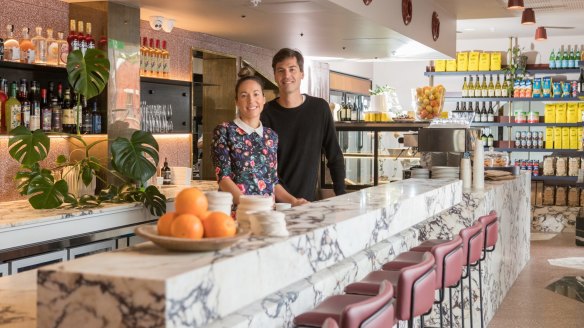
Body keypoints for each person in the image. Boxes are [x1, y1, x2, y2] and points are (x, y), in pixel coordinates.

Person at [212, 68, 307, 207]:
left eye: (256, 94)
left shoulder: (271, 136)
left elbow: (273, 182)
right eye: (244, 95)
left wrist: (294, 201)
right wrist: (251, 204)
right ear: (237, 101)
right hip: (237, 215)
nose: (251, 100)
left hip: (266, 216)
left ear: (263, 99)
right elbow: (224, 179)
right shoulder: (224, 131)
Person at [261, 48, 346, 201]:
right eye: (281, 70)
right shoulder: (264, 114)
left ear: (302, 74)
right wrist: (290, 201)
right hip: (272, 204)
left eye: (292, 69)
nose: (287, 75)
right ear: (275, 76)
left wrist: (341, 195)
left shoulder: (319, 109)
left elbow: (334, 155)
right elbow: (264, 169)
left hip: (307, 204)